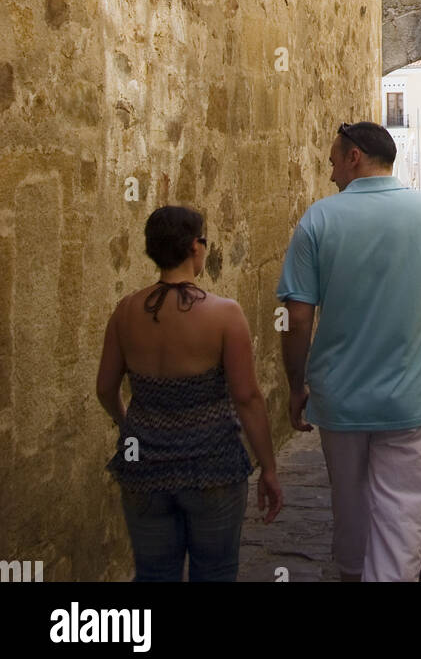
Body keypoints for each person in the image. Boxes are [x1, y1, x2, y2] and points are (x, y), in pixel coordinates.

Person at [277, 121, 421, 583]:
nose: (330, 172)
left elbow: (296, 320)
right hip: (415, 405)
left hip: (340, 402)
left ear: (354, 156)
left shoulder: (318, 220)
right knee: (403, 528)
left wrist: (297, 386)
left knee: (349, 514)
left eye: (333, 160)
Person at [97, 204, 283, 581]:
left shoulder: (125, 312)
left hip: (144, 468)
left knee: (154, 572)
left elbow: (105, 388)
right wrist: (269, 467)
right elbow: (247, 397)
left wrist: (128, 427)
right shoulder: (224, 315)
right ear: (195, 247)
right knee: (214, 571)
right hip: (212, 466)